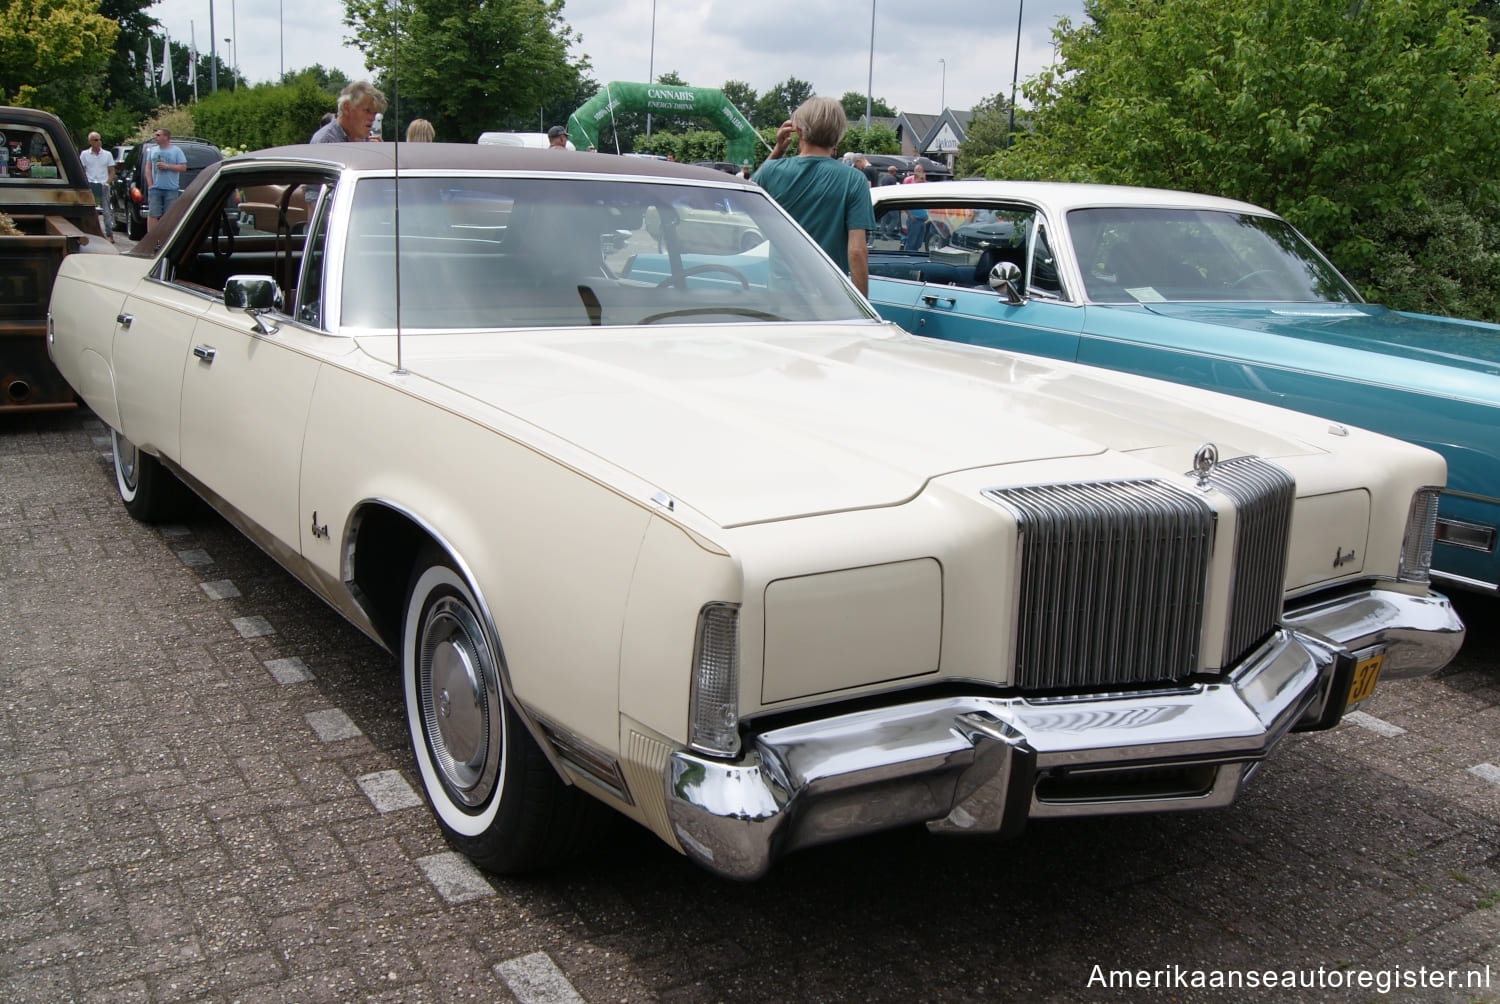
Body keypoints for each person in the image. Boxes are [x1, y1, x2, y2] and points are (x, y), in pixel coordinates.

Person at [751, 96, 875, 295]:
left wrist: (778, 150)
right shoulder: (854, 180)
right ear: (839, 135)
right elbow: (857, 251)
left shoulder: (772, 171)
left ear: (797, 131)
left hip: (781, 294)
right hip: (831, 294)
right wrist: (863, 308)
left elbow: (747, 193)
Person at [142, 128, 187, 233]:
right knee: (153, 214)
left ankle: (166, 237)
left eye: (158, 135)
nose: (155, 137)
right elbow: (147, 168)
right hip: (155, 188)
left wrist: (167, 166)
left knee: (169, 216)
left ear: (165, 137)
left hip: (171, 189)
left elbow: (183, 167)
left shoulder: (176, 151)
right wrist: (150, 184)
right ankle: (151, 238)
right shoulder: (153, 150)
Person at [311, 81, 387, 143]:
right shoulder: (326, 142)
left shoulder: (366, 141)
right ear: (347, 108)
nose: (372, 118)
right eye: (367, 111)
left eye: (374, 113)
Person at [79, 131, 115, 241]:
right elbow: (82, 170)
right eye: (95, 140)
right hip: (90, 184)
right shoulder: (84, 154)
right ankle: (90, 233)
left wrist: (107, 183)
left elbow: (112, 171)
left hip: (103, 184)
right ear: (90, 142)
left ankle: (109, 234)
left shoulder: (107, 154)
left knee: (106, 211)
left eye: (99, 139)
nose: (98, 142)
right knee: (88, 210)